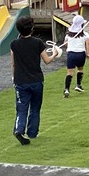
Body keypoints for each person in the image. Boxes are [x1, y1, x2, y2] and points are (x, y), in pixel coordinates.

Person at [10, 15, 60, 145]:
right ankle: (32, 132)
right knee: (35, 108)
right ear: (31, 28)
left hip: (20, 82)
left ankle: (19, 130)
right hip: (36, 81)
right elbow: (47, 60)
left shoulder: (14, 44)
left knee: (21, 108)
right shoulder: (37, 43)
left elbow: (13, 63)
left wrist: (13, 77)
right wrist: (54, 53)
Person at [63, 15, 89, 98]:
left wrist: (70, 46)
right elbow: (88, 43)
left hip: (71, 54)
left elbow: (65, 43)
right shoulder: (85, 34)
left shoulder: (68, 35)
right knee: (80, 69)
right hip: (80, 54)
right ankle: (78, 85)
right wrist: (88, 53)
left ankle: (67, 89)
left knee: (70, 72)